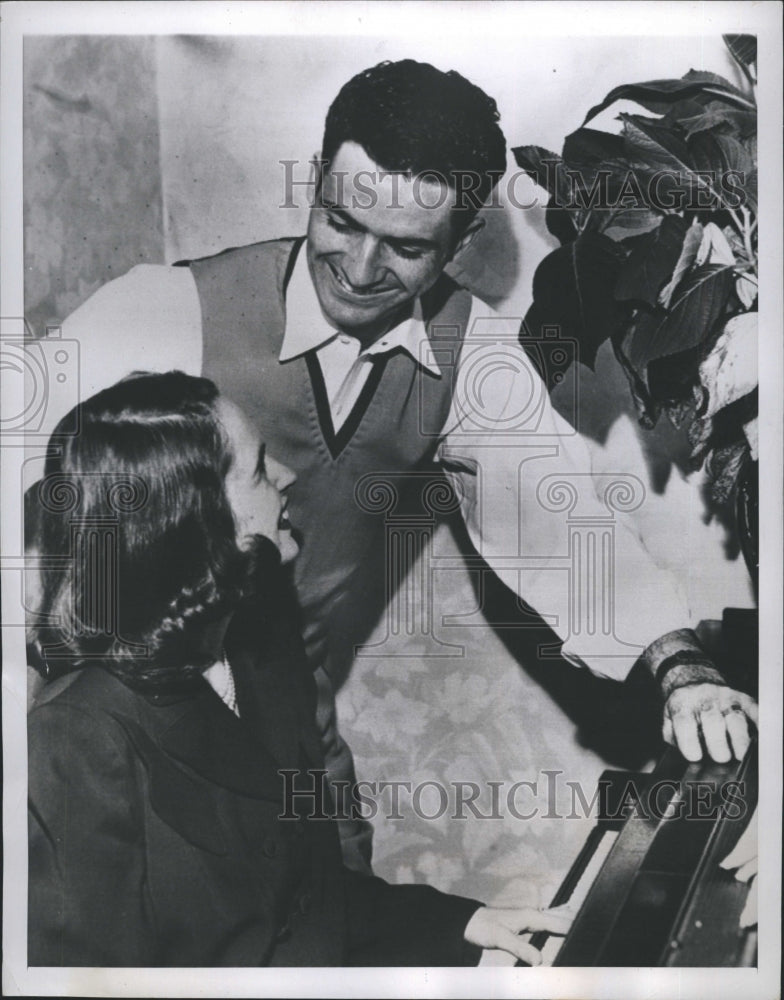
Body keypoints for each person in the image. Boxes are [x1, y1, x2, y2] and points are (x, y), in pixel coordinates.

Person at [51, 59, 757, 871]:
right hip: (112, 743)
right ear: (316, 181)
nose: (358, 269)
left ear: (460, 243)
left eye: (406, 247)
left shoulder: (474, 355)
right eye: (342, 221)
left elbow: (560, 527)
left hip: (289, 735)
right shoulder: (159, 310)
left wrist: (681, 668)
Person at [27, 371, 572, 967]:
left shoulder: (265, 651)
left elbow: (310, 904)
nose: (286, 477)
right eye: (259, 469)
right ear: (194, 519)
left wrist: (467, 922)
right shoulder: (76, 735)